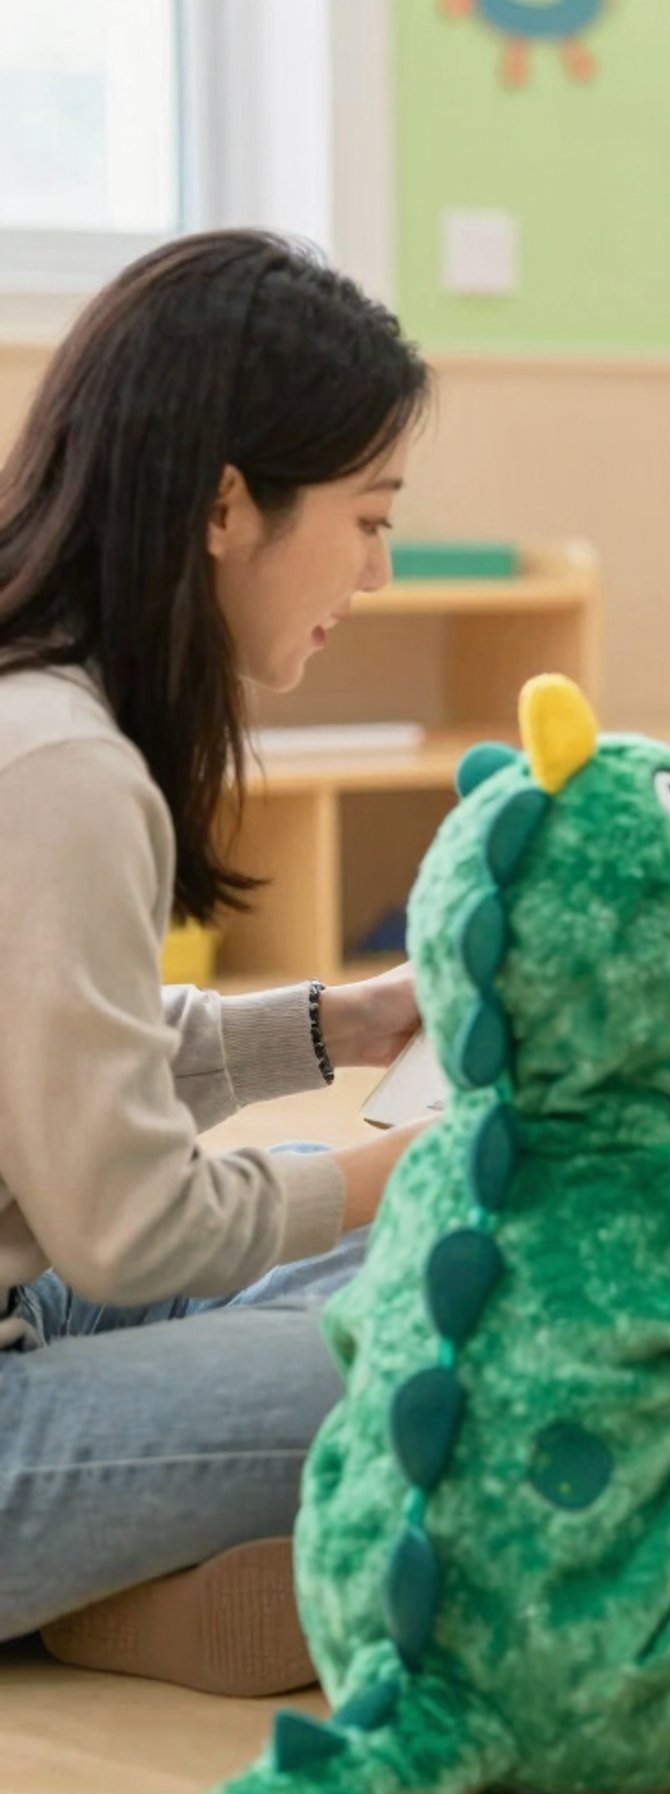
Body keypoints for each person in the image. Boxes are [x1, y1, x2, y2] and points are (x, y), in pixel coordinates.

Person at [0, 231, 433, 1692]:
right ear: (227, 505)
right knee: (453, 1316)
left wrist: (340, 1026)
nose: (377, 568)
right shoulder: (62, 768)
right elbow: (126, 1228)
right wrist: (427, 1161)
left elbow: (66, 1072)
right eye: (368, 517)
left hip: (24, 1302)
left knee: (410, 1267)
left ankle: (134, 1574)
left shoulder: (39, 712)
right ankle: (111, 1578)